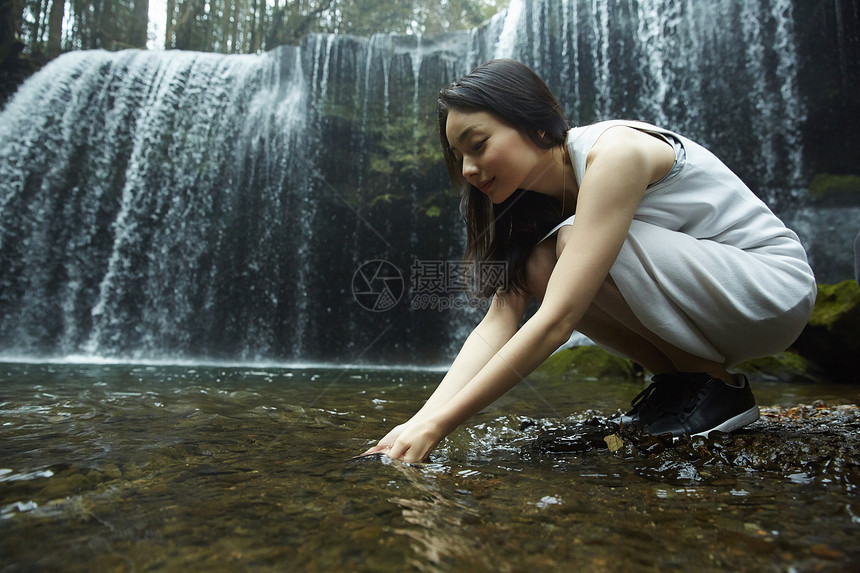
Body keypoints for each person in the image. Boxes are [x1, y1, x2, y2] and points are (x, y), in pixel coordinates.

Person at [362, 59, 816, 463]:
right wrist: (418, 421)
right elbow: (497, 322)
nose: (466, 169)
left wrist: (442, 428)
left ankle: (716, 386)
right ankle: (685, 385)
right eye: (459, 156)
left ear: (537, 126)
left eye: (477, 145)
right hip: (709, 303)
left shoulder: (614, 152)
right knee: (538, 264)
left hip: (771, 288)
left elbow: (559, 320)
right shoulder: (521, 207)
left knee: (570, 243)